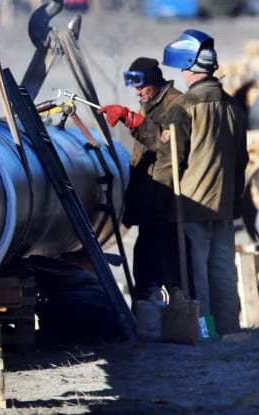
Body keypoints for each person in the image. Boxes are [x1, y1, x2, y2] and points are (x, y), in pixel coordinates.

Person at [160, 29, 248, 337]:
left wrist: (160, 200)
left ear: (190, 67)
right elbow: (241, 160)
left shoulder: (183, 107)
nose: (182, 75)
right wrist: (234, 203)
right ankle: (229, 331)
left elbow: (172, 161)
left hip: (191, 206)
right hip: (223, 205)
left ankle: (205, 332)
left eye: (182, 69)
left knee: (196, 276)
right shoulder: (233, 106)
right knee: (223, 272)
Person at [97, 57, 183, 300]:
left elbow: (169, 148)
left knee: (173, 270)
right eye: (134, 86)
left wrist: (134, 121)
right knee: (144, 267)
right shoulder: (150, 104)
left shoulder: (176, 105)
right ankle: (148, 312)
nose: (137, 92)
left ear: (155, 81)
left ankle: (185, 317)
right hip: (150, 202)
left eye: (141, 85)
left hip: (167, 202)